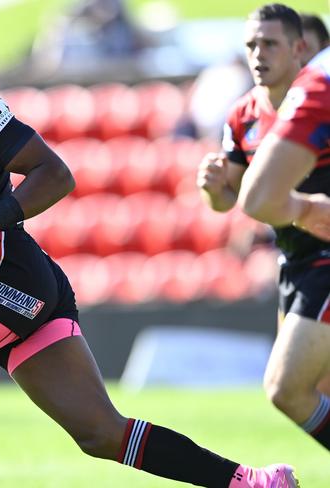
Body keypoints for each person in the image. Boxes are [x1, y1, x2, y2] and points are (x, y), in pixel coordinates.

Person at [0, 11, 298, 488]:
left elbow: (55, 174)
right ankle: (255, 482)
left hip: (0, 272)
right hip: (7, 285)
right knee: (100, 433)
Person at [198, 3, 330, 453]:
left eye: (269, 44)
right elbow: (231, 201)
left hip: (326, 260)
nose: (258, 54)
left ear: (299, 49)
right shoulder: (241, 117)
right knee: (319, 391)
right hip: (295, 263)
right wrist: (213, 189)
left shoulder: (318, 102)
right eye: (251, 45)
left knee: (285, 388)